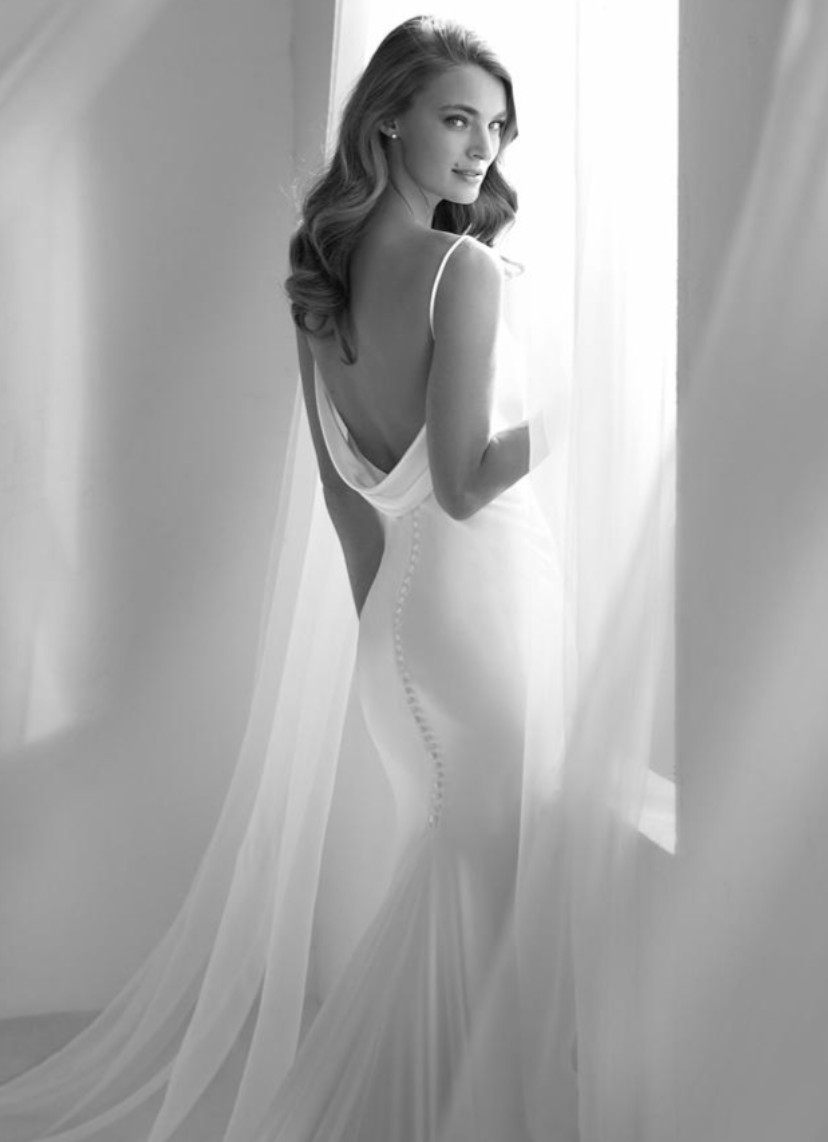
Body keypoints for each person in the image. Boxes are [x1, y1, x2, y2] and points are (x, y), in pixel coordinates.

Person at [272, 15, 570, 1141]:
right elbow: (461, 481)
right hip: (480, 612)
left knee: (451, 885)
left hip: (396, 631)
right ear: (389, 120)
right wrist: (588, 409)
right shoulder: (463, 267)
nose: (482, 147)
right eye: (457, 119)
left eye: (496, 127)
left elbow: (349, 505)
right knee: (490, 895)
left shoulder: (322, 285)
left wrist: (383, 646)